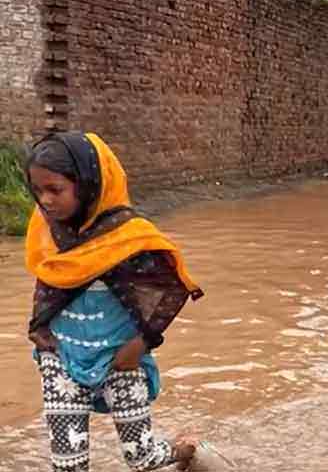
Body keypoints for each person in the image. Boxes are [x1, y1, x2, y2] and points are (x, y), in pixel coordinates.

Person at [23, 132, 225, 471]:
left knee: (141, 459)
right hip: (61, 356)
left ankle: (185, 450)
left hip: (120, 358)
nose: (45, 201)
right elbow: (48, 286)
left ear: (87, 184)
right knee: (67, 466)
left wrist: (140, 344)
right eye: (37, 190)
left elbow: (169, 290)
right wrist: (40, 330)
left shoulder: (130, 236)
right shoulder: (47, 231)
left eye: (55, 190)